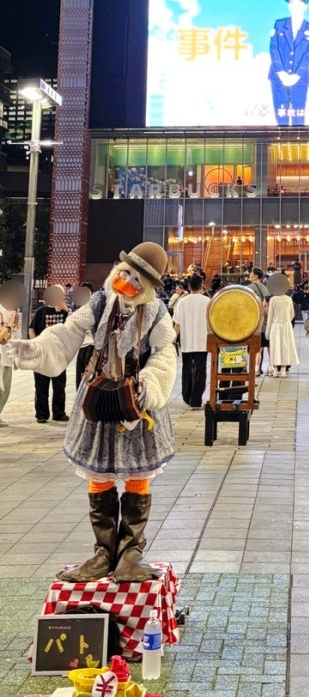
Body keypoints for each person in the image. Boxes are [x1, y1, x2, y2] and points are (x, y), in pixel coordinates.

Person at [8, 242, 176, 583]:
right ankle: (103, 552)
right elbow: (67, 333)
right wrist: (33, 348)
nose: (127, 280)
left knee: (137, 476)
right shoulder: (99, 303)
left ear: (147, 286)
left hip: (136, 402)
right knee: (99, 476)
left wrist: (149, 384)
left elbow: (164, 353)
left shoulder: (157, 312)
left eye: (136, 277)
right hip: (97, 399)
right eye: (126, 271)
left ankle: (130, 553)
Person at [267, 0, 309, 126]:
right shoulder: (279, 25)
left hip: (300, 79)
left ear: (305, 6)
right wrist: (281, 72)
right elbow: (274, 49)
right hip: (278, 77)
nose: (294, 6)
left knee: (298, 116)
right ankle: (279, 143)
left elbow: (308, 54)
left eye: (298, 3)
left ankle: (297, 145)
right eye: (292, 3)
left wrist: (296, 75)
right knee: (281, 115)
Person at [29, 285, 71, 424]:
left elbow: (75, 325)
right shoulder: (41, 311)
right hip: (42, 354)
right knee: (41, 385)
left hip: (59, 355)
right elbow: (31, 329)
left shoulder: (66, 313)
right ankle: (42, 414)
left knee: (59, 385)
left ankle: (59, 413)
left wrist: (66, 310)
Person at [173, 273, 211, 408]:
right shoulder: (207, 301)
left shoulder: (182, 302)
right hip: (203, 340)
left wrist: (173, 339)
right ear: (201, 287)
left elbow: (177, 323)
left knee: (187, 369)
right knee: (200, 370)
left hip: (186, 340)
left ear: (188, 286)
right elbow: (211, 322)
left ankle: (186, 395)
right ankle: (196, 400)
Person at [264, 272, 299, 378]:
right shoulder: (289, 299)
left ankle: (275, 370)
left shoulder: (273, 299)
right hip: (286, 326)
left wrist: (267, 331)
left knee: (275, 348)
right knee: (285, 348)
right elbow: (292, 314)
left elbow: (270, 316)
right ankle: (283, 371)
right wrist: (287, 320)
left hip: (275, 325)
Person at [0, 295, 21, 427]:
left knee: (5, 389)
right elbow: (2, 339)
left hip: (8, 356)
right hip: (1, 356)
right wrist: (8, 326)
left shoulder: (15, 312)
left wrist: (16, 356)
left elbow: (16, 335)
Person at [247, 268, 271, 374]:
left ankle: (256, 368)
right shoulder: (265, 287)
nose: (249, 275)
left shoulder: (250, 288)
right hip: (266, 315)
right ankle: (271, 367)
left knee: (258, 345)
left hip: (255, 316)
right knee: (268, 344)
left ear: (256, 276)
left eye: (251, 274)